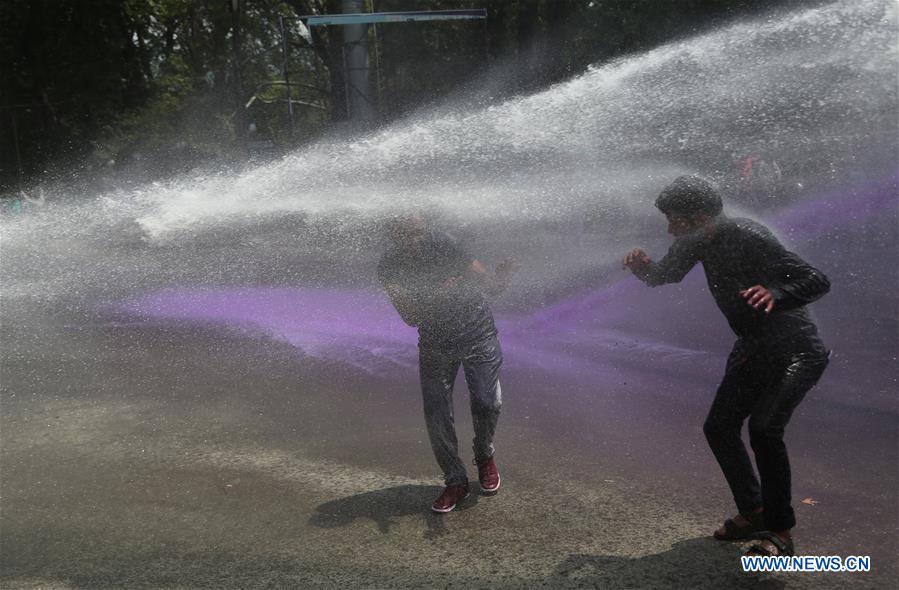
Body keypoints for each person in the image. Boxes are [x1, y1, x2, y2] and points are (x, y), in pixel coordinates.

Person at [623, 176, 830, 557]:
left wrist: (776, 292)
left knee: (765, 429)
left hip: (796, 350)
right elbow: (663, 275)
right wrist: (642, 267)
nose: (669, 229)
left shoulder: (747, 235)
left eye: (674, 220)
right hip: (753, 348)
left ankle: (781, 533)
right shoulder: (695, 241)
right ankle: (754, 512)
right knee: (719, 427)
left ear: (699, 217)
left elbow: (816, 280)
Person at [378, 212, 515, 513]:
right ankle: (455, 480)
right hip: (436, 344)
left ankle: (484, 452)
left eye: (418, 233)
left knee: (487, 402)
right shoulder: (389, 267)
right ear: (392, 234)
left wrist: (503, 276)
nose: (415, 241)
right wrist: (437, 296)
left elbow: (492, 287)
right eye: (406, 235)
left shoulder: (446, 244)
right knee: (437, 414)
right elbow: (411, 317)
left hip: (478, 334)